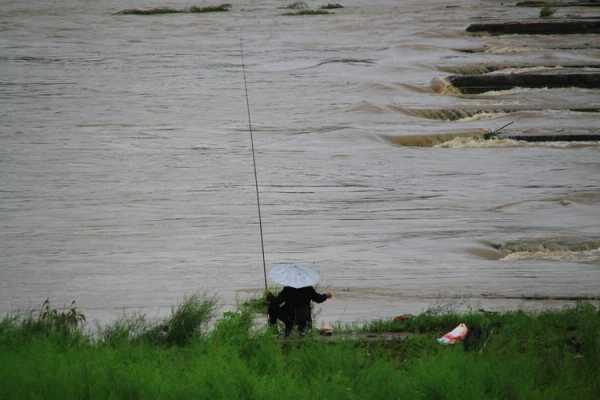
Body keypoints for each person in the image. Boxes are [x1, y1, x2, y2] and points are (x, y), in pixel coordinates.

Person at [267, 286, 332, 336]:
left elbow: (276, 302)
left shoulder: (287, 289)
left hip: (290, 318)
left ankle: (273, 330)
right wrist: (326, 295)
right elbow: (318, 299)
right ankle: (300, 328)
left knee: (272, 307)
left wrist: (270, 297)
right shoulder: (308, 288)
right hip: (305, 318)